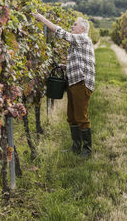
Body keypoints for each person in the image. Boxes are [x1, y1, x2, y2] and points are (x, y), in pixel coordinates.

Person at [33, 13, 95, 157]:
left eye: (75, 24)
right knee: (72, 116)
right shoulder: (78, 42)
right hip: (74, 82)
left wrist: (43, 19)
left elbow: (62, 33)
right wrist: (64, 66)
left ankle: (87, 150)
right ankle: (76, 146)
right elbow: (78, 63)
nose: (72, 26)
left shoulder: (83, 38)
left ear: (82, 28)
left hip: (81, 83)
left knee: (81, 117)